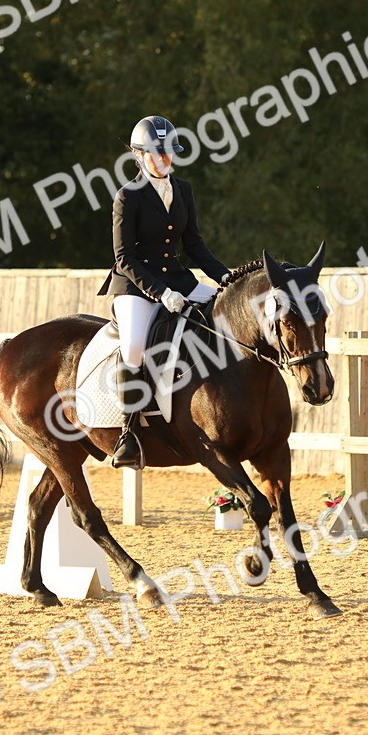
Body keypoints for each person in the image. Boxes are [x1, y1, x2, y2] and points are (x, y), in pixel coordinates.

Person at [96, 115, 232, 470]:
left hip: (179, 278)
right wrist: (161, 293)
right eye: (156, 154)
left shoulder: (183, 189)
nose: (163, 160)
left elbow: (195, 245)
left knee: (226, 317)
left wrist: (224, 278)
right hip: (136, 286)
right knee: (135, 346)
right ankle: (128, 434)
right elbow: (124, 257)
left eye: (169, 154)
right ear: (139, 156)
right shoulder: (128, 197)